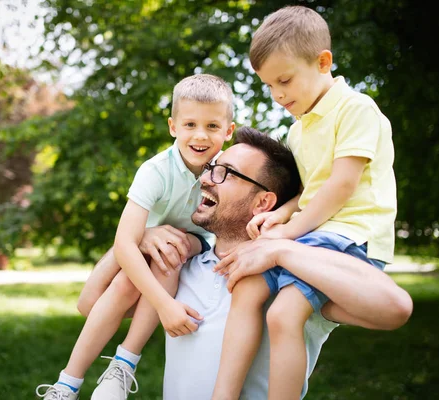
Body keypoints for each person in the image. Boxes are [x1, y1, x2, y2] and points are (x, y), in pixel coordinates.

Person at [211, 6, 400, 400]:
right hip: (314, 233)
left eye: (284, 80)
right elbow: (311, 190)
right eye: (268, 86)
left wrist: (287, 236)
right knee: (246, 288)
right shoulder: (298, 131)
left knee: (283, 314)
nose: (278, 94)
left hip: (348, 236)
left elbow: (341, 185)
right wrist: (280, 215)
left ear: (323, 61)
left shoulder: (356, 109)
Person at [163, 127, 412, 399]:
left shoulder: (292, 280)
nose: (207, 179)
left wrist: (280, 252)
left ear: (263, 202)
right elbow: (111, 299)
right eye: (212, 168)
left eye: (226, 172)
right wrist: (136, 241)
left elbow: (394, 307)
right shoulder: (182, 263)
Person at [36, 74, 235, 400]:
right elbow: (125, 243)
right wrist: (164, 304)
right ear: (173, 126)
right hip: (133, 250)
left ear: (228, 131)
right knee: (97, 299)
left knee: (175, 247)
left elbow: (223, 228)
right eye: (190, 125)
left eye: (212, 126)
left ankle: (122, 365)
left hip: (179, 252)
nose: (200, 135)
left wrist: (195, 243)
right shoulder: (155, 171)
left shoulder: (223, 174)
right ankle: (66, 386)